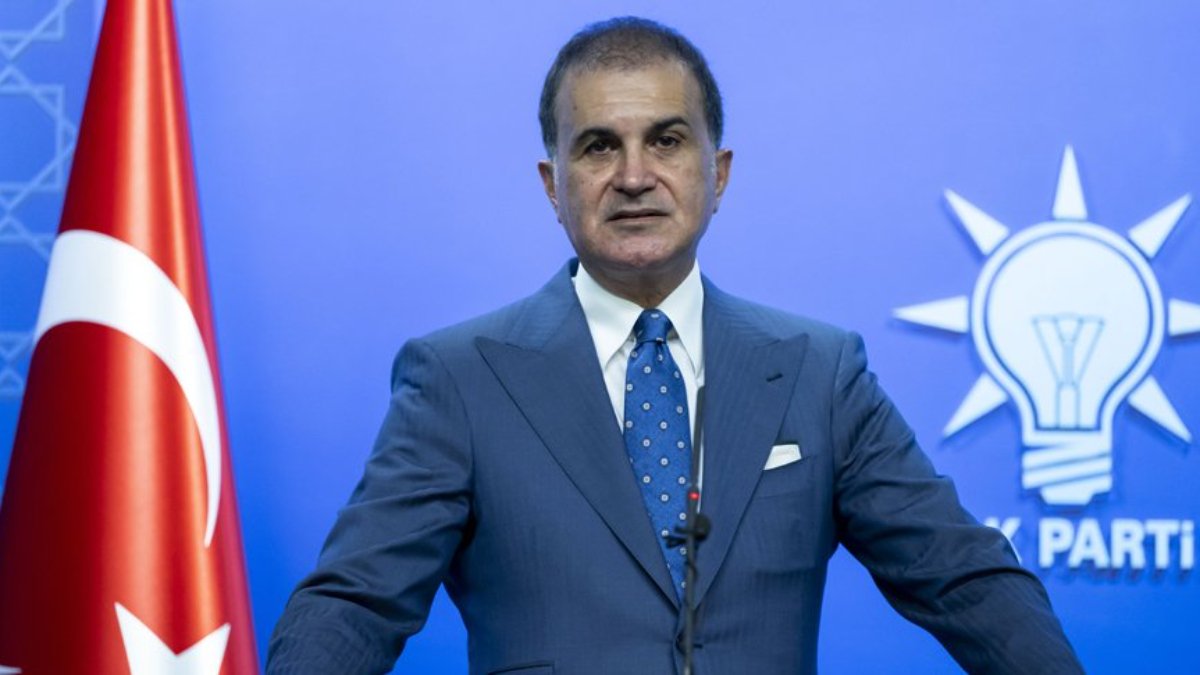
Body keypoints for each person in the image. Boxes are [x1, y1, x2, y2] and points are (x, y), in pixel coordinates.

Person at [267, 17, 1083, 674]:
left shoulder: (819, 372)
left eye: (666, 140)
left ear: (717, 173)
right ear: (552, 185)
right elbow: (354, 603)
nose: (633, 175)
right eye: (598, 145)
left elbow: (963, 576)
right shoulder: (458, 379)